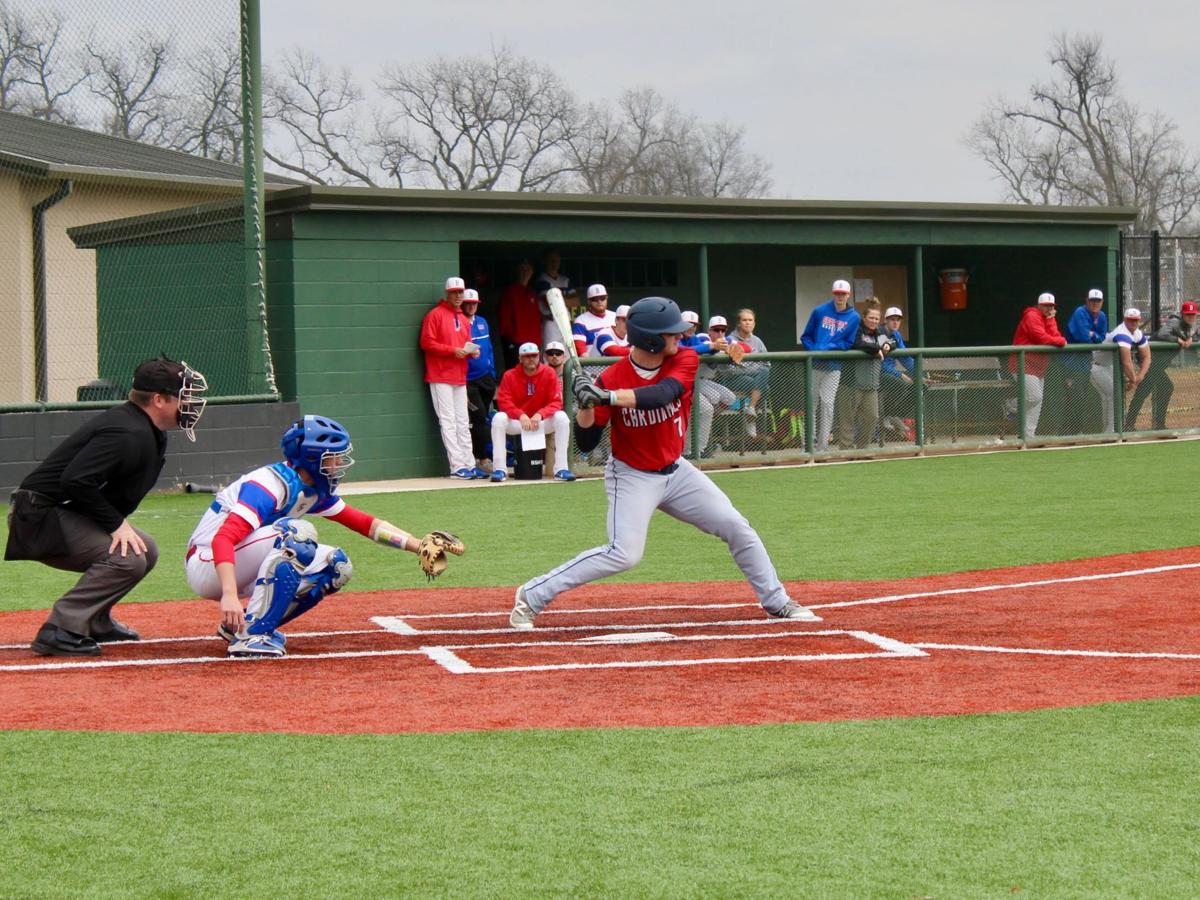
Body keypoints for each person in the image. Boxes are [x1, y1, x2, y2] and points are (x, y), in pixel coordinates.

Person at [509, 296, 821, 629]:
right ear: (651, 338)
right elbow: (586, 441)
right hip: (632, 475)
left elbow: (663, 394)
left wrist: (606, 397)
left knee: (737, 527)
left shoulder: (683, 359)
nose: (680, 337)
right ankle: (532, 595)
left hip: (677, 471)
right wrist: (585, 403)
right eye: (671, 333)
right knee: (624, 553)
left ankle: (777, 601)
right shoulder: (611, 379)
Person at [185, 415, 454, 658]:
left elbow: (365, 524)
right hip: (208, 563)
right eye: (333, 457)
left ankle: (250, 626)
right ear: (312, 458)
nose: (339, 464)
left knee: (337, 565)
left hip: (235, 561)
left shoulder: (311, 489)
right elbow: (223, 539)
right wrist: (229, 596)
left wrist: (418, 545)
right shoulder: (269, 485)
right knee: (297, 534)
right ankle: (252, 638)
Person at [6, 356, 208, 656]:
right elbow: (76, 480)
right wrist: (115, 524)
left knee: (145, 548)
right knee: (128, 558)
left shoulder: (144, 428)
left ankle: (95, 620)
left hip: (57, 511)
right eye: (183, 397)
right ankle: (60, 628)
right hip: (37, 515)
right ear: (159, 400)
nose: (189, 404)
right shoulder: (129, 432)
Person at [489, 342, 575, 483]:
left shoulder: (549, 373)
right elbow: (504, 401)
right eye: (527, 356)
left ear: (539, 356)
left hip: (540, 422)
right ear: (520, 358)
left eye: (534, 356)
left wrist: (540, 414)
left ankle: (561, 469)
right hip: (518, 422)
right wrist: (520, 415)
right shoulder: (510, 375)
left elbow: (556, 402)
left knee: (562, 417)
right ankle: (499, 469)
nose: (531, 359)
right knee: (498, 418)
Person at [420, 276, 480, 479]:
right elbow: (427, 343)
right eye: (454, 292)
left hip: (459, 376)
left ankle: (469, 464)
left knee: (463, 422)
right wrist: (452, 351)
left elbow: (466, 343)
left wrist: (472, 351)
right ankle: (457, 466)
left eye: (460, 292)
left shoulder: (463, 318)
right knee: (448, 421)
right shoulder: (435, 315)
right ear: (447, 293)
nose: (458, 295)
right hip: (440, 375)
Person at [801, 280, 861, 451]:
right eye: (837, 293)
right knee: (811, 404)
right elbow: (806, 337)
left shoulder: (854, 317)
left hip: (834, 367)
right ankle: (808, 445)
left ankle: (823, 446)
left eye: (843, 294)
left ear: (848, 295)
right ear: (833, 293)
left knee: (827, 405)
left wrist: (829, 347)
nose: (840, 296)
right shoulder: (820, 311)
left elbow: (848, 342)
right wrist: (815, 350)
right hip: (814, 365)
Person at [1126, 300, 1199, 430]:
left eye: (1193, 315)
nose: (1191, 317)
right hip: (1149, 361)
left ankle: (1156, 424)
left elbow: (1192, 335)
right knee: (1145, 391)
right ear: (1182, 314)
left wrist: (1190, 339)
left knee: (1165, 388)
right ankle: (1129, 425)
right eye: (1188, 314)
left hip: (1158, 364)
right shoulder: (1175, 322)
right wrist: (1178, 340)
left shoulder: (1190, 326)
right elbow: (1162, 333)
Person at [1007, 292, 1067, 438]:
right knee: (1035, 397)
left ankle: (1028, 435)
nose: (1048, 309)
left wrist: (1051, 321)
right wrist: (1059, 341)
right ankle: (1011, 405)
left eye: (1051, 306)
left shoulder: (1048, 319)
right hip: (1022, 363)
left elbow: (1055, 335)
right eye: (1046, 306)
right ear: (1039, 305)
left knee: (1037, 403)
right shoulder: (1031, 315)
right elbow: (1040, 337)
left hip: (1039, 366)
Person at [837, 299, 894, 448]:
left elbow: (891, 341)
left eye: (876, 318)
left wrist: (887, 345)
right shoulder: (856, 329)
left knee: (872, 417)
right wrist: (877, 349)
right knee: (847, 419)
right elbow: (857, 343)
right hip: (850, 383)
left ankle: (862, 448)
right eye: (871, 318)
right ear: (864, 318)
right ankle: (846, 451)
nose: (874, 321)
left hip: (871, 384)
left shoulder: (879, 332)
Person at [1089, 308, 1150, 433]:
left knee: (1114, 396)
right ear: (1125, 320)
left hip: (1109, 366)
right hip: (1095, 365)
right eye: (1130, 320)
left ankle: (1112, 430)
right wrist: (1133, 379)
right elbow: (1126, 363)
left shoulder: (1137, 333)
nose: (1133, 323)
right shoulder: (1122, 333)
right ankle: (1111, 431)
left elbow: (1147, 356)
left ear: (1139, 321)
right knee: (1113, 394)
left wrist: (1140, 376)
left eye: (1136, 321)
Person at [461, 289, 497, 477]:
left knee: (484, 418)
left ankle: (481, 457)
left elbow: (489, 349)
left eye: (474, 302)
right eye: (468, 302)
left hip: (486, 378)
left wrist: (492, 373)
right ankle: (481, 459)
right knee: (478, 417)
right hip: (468, 381)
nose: (472, 305)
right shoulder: (459, 323)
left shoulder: (482, 322)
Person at [1064, 289, 1109, 433]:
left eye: (1098, 301)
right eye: (1092, 301)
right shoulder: (1080, 312)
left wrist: (1093, 335)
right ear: (1087, 301)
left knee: (1081, 398)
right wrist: (1093, 336)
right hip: (1069, 361)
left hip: (1084, 362)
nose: (1095, 303)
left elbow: (1101, 337)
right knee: (1073, 398)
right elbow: (1083, 337)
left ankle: (1076, 432)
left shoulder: (1101, 315)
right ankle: (1070, 433)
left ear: (1102, 302)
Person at [726, 308, 772, 439]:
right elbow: (731, 370)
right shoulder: (730, 339)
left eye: (750, 320)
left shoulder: (757, 341)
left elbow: (767, 363)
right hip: (733, 380)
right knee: (763, 385)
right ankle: (750, 414)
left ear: (754, 323)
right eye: (744, 320)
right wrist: (754, 370)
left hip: (753, 380)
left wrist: (751, 369)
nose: (747, 323)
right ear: (739, 323)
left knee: (764, 374)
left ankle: (750, 409)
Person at [498, 259, 541, 368]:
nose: (525, 272)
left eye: (528, 269)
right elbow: (504, 319)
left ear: (532, 272)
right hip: (516, 342)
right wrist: (510, 339)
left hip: (533, 342)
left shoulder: (532, 293)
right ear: (517, 271)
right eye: (522, 269)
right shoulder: (510, 291)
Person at [880, 306, 915, 439]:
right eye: (892, 319)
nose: (895, 322)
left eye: (898, 320)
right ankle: (887, 416)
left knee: (920, 387)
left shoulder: (897, 335)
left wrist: (919, 375)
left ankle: (896, 415)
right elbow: (881, 364)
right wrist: (900, 375)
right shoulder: (880, 333)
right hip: (878, 373)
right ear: (886, 320)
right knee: (901, 384)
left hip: (891, 373)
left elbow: (905, 358)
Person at [536, 248, 571, 348]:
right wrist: (565, 299)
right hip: (550, 321)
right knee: (551, 351)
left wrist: (557, 299)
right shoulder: (542, 280)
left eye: (556, 261)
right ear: (545, 262)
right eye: (551, 261)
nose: (554, 263)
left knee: (567, 352)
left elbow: (576, 301)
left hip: (565, 320)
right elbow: (549, 303)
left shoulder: (565, 280)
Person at [572, 284, 618, 357]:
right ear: (589, 301)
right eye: (595, 299)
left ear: (607, 298)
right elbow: (581, 351)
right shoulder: (581, 321)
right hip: (594, 364)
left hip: (615, 361)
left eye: (602, 298)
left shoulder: (616, 316)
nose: (599, 301)